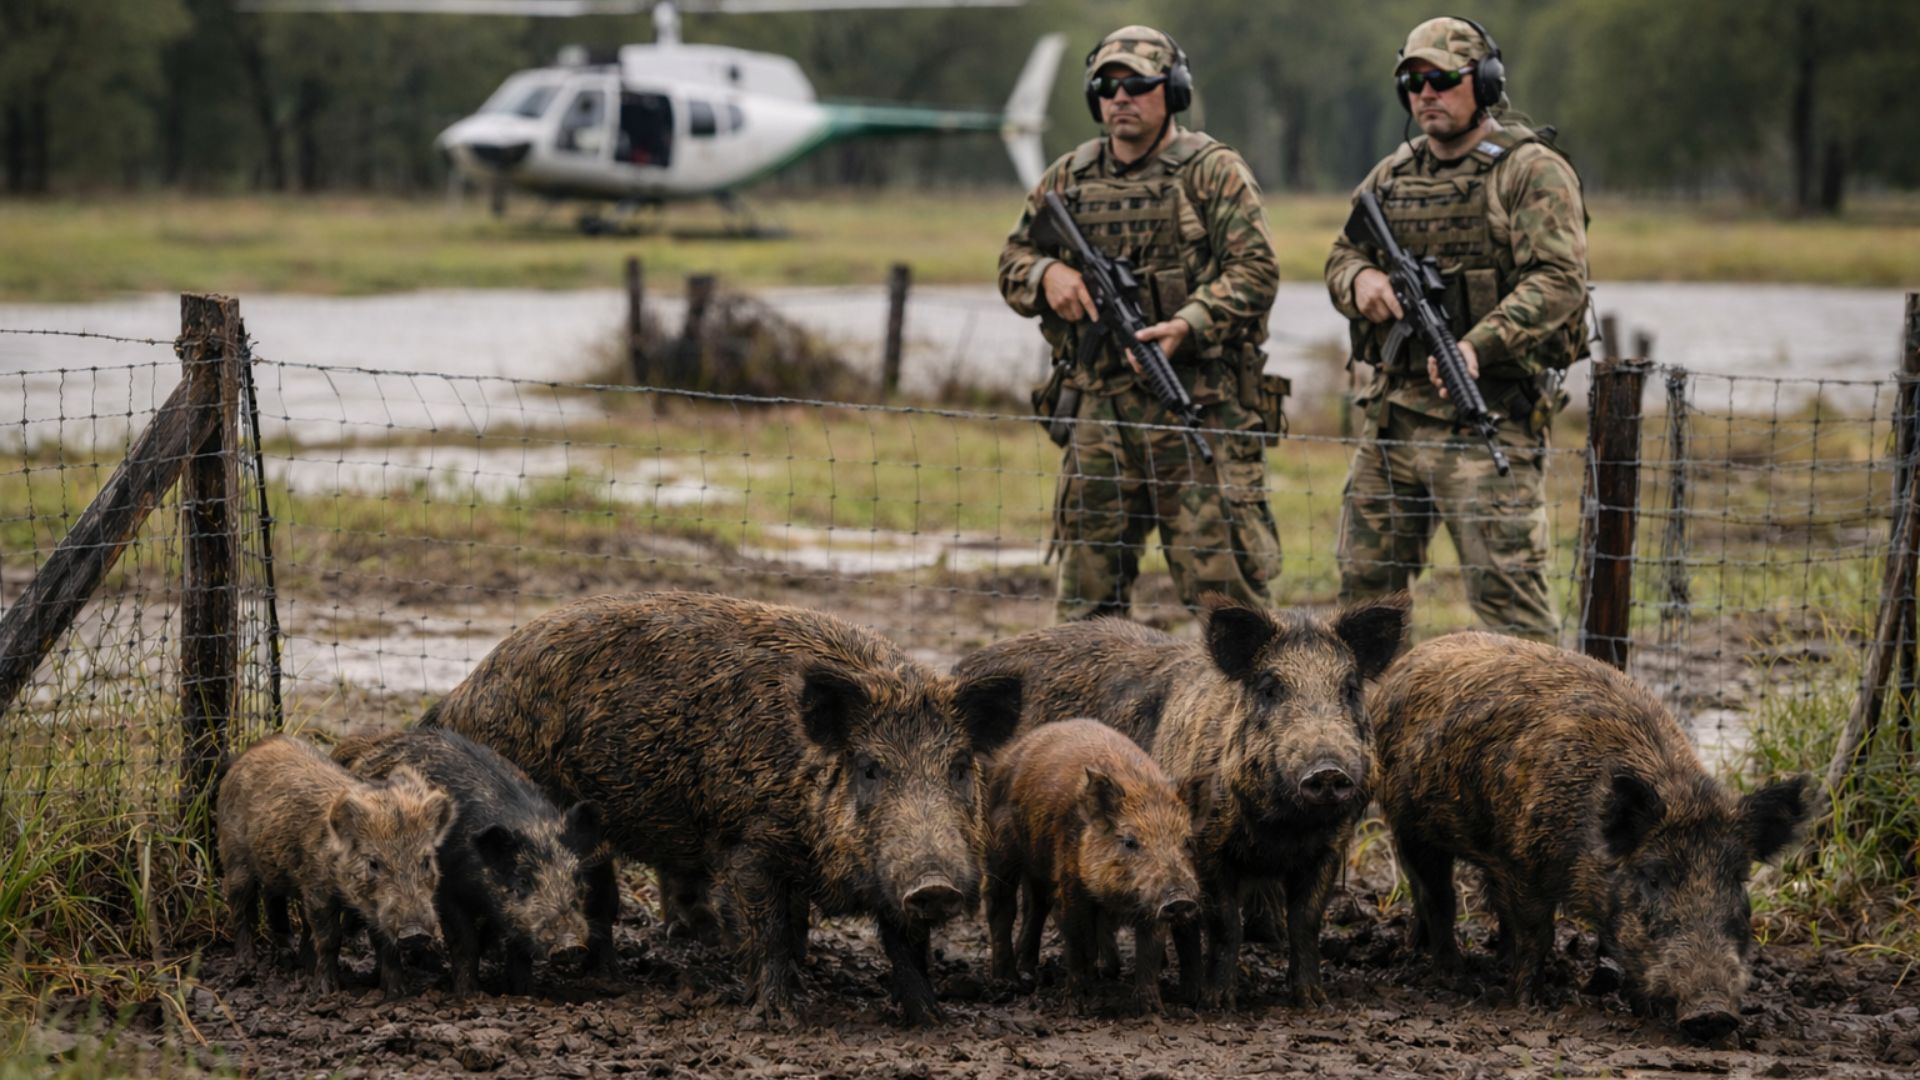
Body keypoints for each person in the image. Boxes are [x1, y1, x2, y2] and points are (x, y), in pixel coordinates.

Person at [998, 25, 1283, 623]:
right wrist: (1047, 274)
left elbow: (1256, 272)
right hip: (1099, 415)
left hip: (1198, 410)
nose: (1119, 97)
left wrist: (1189, 324)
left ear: (1172, 90)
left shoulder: (1212, 172)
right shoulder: (1069, 176)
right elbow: (1013, 260)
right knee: (1084, 616)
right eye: (1106, 86)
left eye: (1137, 85)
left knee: (1231, 616)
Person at [1325, 16, 1590, 642]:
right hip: (1393, 419)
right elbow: (1342, 254)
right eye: (1413, 82)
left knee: (1512, 608)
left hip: (1486, 418)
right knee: (1361, 603)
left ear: (1486, 84)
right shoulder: (1392, 175)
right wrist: (1361, 283)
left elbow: (1559, 280)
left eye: (1443, 79)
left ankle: (1536, 734)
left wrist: (1477, 345)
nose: (1426, 93)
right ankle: (1369, 730)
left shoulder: (1529, 171)